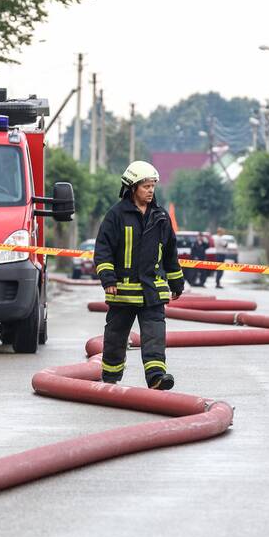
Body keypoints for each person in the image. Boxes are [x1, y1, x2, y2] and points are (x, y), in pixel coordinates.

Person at [93, 160, 184, 390]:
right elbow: (103, 249)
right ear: (132, 188)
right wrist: (108, 279)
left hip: (152, 291)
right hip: (122, 291)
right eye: (145, 186)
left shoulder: (161, 217)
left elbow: (170, 253)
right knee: (115, 337)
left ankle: (156, 377)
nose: (151, 190)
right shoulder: (116, 215)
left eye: (153, 186)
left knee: (155, 335)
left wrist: (176, 281)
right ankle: (111, 377)